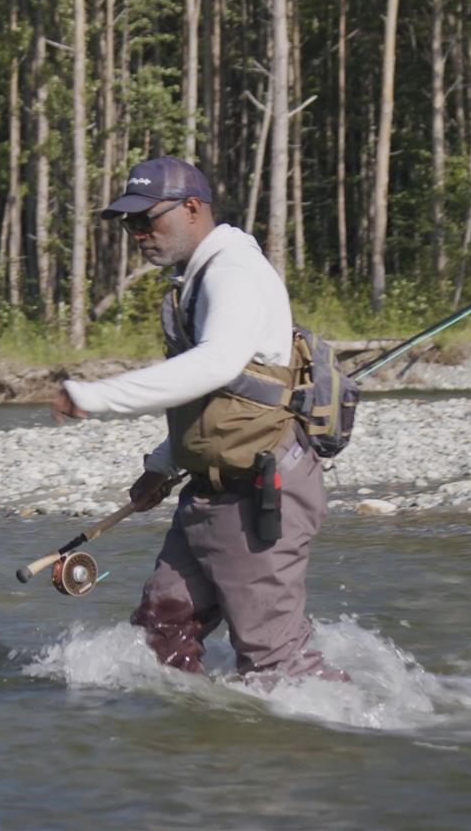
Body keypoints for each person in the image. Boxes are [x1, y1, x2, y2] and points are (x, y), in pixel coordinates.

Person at [49, 156, 341, 682]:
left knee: (278, 666)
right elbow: (222, 399)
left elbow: (216, 365)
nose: (138, 234)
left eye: (147, 220)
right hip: (209, 494)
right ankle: (189, 754)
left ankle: (357, 734)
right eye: (129, 224)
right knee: (161, 633)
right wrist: (162, 465)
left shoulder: (232, 271)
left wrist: (96, 398)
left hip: (258, 494)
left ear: (192, 208)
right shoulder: (201, 276)